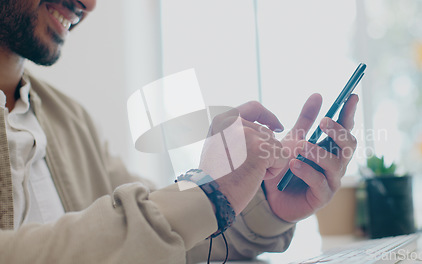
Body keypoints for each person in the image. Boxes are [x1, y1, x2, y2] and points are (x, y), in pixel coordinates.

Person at [0, 0, 359, 263]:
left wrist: (264, 202)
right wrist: (208, 192)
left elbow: (162, 238)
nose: (90, 4)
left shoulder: (71, 121)